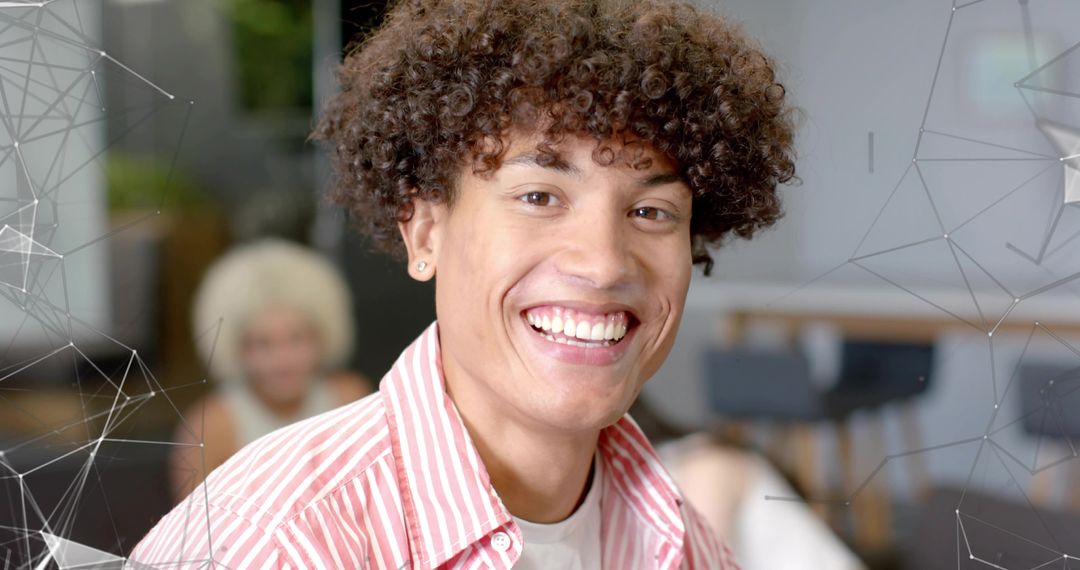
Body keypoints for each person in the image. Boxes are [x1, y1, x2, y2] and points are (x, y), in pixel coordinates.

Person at [131, 0, 796, 567]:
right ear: (423, 232)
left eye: (651, 212)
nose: (604, 264)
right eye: (539, 196)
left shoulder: (683, 543)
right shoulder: (277, 540)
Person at [169, 239, 371, 501]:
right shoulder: (211, 426)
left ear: (322, 336)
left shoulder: (350, 400)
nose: (282, 360)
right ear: (236, 349)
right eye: (263, 344)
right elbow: (194, 528)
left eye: (296, 338)